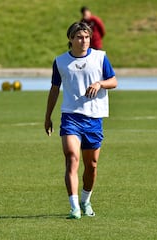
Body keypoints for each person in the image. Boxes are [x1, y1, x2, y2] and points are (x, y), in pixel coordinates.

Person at [44, 22, 117, 219]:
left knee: (91, 166)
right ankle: (74, 206)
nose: (83, 40)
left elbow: (114, 81)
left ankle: (85, 200)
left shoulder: (100, 57)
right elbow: (54, 89)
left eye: (86, 37)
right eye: (79, 37)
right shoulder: (60, 62)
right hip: (70, 117)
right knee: (71, 159)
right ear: (70, 39)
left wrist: (100, 83)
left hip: (94, 119)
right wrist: (47, 116)